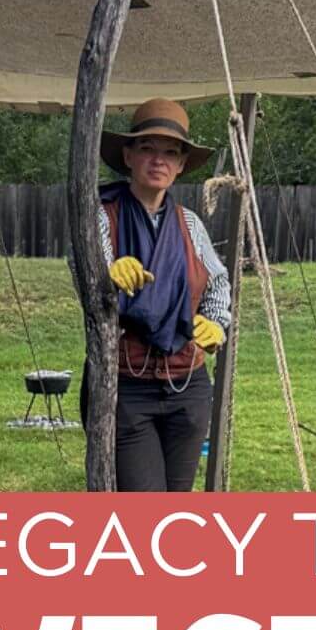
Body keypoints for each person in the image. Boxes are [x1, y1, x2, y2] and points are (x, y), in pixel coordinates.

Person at [79, 99, 231, 492]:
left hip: (188, 386)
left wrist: (216, 323)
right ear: (128, 156)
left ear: (180, 165)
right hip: (126, 387)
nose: (159, 160)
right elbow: (87, 280)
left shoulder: (190, 224)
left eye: (171, 152)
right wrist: (106, 277)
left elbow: (217, 282)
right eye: (147, 148)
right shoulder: (101, 217)